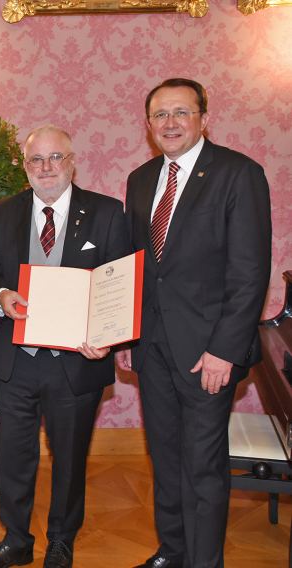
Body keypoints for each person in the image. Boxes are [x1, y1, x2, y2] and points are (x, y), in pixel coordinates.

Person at [118, 78, 271, 568]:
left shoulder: (238, 173)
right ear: (148, 125)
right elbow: (139, 266)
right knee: (164, 457)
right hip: (153, 347)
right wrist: (126, 332)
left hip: (209, 351)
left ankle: (205, 562)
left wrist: (224, 350)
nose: (170, 123)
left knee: (203, 465)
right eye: (160, 115)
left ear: (204, 117)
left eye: (181, 112)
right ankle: (173, 549)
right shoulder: (141, 180)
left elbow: (250, 274)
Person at [0, 125, 130, 568]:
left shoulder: (106, 212)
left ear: (72, 161)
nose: (46, 168)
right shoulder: (5, 211)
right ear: (25, 167)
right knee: (14, 456)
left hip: (76, 362)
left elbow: (117, 285)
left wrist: (107, 337)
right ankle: (16, 540)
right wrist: (2, 297)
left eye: (55, 158)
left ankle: (61, 540)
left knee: (69, 457)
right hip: (17, 360)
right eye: (36, 160)